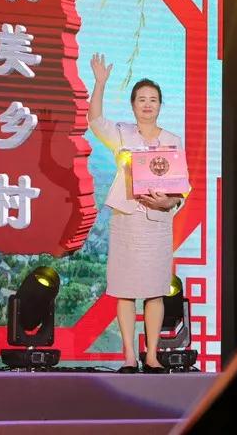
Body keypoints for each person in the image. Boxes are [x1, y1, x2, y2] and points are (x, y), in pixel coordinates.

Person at [88, 53, 185, 374]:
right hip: (127, 219)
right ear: (133, 105)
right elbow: (95, 121)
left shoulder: (172, 140)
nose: (147, 104)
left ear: (160, 106)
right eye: (141, 99)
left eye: (153, 100)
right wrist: (100, 83)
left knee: (155, 290)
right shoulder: (122, 133)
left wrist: (167, 203)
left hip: (157, 222)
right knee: (126, 290)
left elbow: (181, 187)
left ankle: (152, 355)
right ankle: (129, 356)